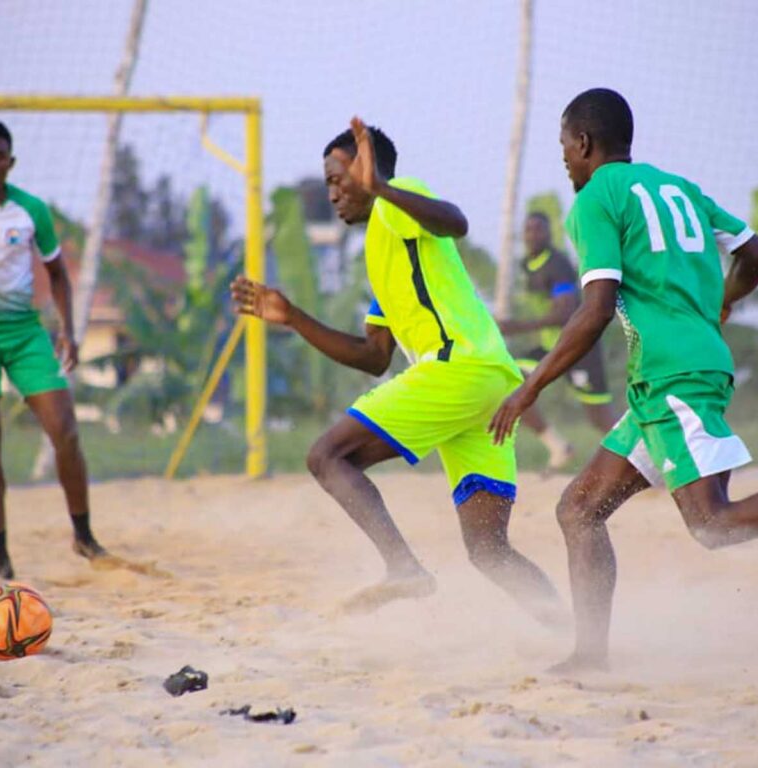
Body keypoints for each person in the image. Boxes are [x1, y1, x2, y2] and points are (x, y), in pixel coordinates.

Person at [489, 88, 758, 672]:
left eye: (564, 148)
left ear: (584, 143)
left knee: (712, 522)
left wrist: (530, 387)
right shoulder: (681, 189)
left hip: (677, 377)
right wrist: (720, 303)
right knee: (579, 509)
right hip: (669, 377)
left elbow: (594, 309)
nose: (565, 161)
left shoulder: (596, 196)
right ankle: (591, 655)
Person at [231, 117, 561, 619]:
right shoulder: (382, 246)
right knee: (489, 550)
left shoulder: (396, 201)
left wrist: (382, 187)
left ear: (369, 170)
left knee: (327, 455)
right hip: (490, 384)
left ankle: (403, 568)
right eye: (329, 184)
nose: (335, 192)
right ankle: (571, 633)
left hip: (461, 369)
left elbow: (456, 221)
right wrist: (294, 317)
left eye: (340, 177)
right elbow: (373, 356)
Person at [0, 119, 108, 578]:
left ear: (11, 162)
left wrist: (67, 331)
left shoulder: (30, 211)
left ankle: (85, 536)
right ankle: (0, 558)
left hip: (25, 334)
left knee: (65, 429)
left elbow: (57, 274)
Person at [498, 212, 619, 471]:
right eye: (528, 229)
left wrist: (517, 327)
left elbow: (565, 313)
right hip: (549, 347)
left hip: (578, 346)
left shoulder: (558, 265)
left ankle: (643, 458)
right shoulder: (526, 265)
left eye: (538, 229)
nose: (533, 234)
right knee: (511, 381)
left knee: (598, 416)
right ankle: (558, 448)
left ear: (549, 233)